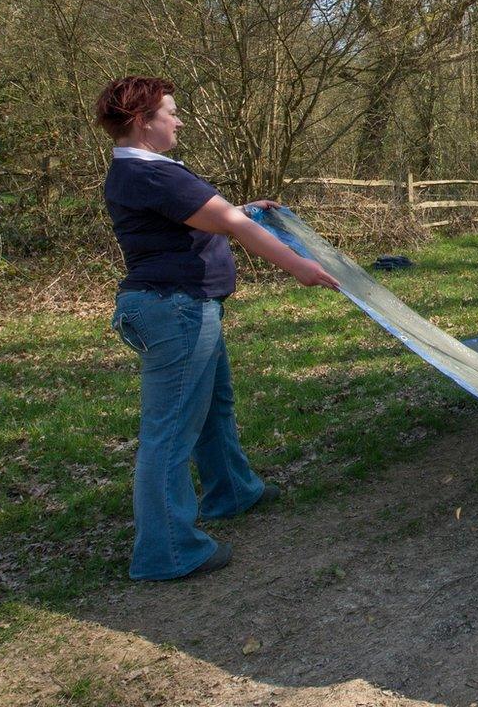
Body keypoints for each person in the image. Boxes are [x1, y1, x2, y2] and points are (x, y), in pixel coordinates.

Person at [95, 76, 340, 581]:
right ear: (144, 122)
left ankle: (232, 490)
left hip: (182, 306)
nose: (179, 120)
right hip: (175, 309)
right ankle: (168, 552)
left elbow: (206, 219)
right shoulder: (151, 173)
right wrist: (298, 265)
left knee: (211, 408)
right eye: (171, 112)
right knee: (170, 432)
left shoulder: (142, 173)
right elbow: (227, 223)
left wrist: (248, 212)